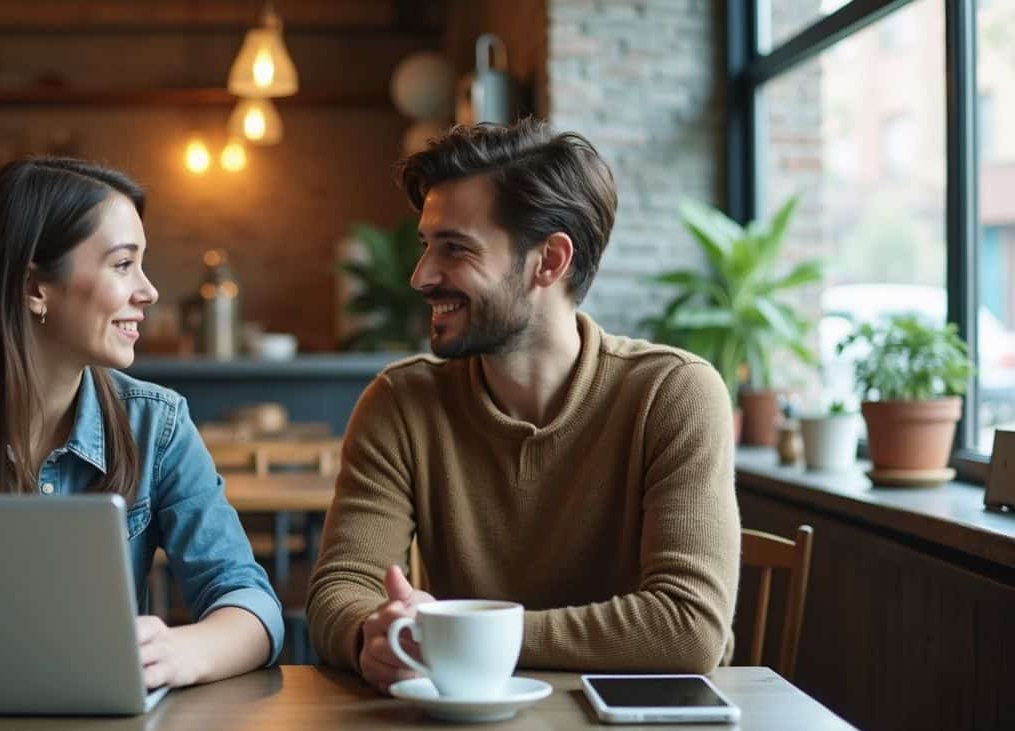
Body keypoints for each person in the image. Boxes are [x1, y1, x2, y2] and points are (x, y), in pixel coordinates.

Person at [306, 120, 740, 692]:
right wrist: (373, 631)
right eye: (425, 246)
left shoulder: (673, 393)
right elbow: (341, 588)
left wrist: (458, 636)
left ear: (550, 260)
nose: (421, 276)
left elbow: (687, 627)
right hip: (466, 730)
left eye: (455, 248)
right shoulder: (401, 403)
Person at [0, 157, 283, 688]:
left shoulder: (155, 425)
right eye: (122, 264)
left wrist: (180, 651)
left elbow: (252, 604)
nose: (149, 291)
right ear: (33, 287)